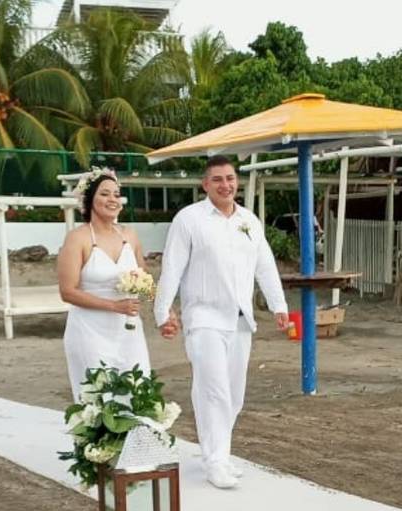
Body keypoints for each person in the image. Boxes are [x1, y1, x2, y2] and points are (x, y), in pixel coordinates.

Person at [154, 155, 289, 490]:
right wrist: (162, 312)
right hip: (203, 318)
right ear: (205, 184)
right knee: (214, 390)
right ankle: (216, 461)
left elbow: (266, 266)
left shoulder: (249, 220)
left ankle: (217, 453)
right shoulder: (189, 220)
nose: (225, 185)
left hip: (240, 319)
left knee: (234, 394)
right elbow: (171, 268)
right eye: (217, 179)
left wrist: (279, 306)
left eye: (230, 178)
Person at [58, 167, 176, 402]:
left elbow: (144, 280)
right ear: (90, 199)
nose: (112, 199)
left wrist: (165, 311)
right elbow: (67, 292)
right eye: (104, 194)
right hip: (89, 331)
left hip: (128, 330)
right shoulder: (78, 238)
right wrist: (114, 307)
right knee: (100, 402)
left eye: (116, 194)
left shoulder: (129, 235)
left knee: (138, 395)